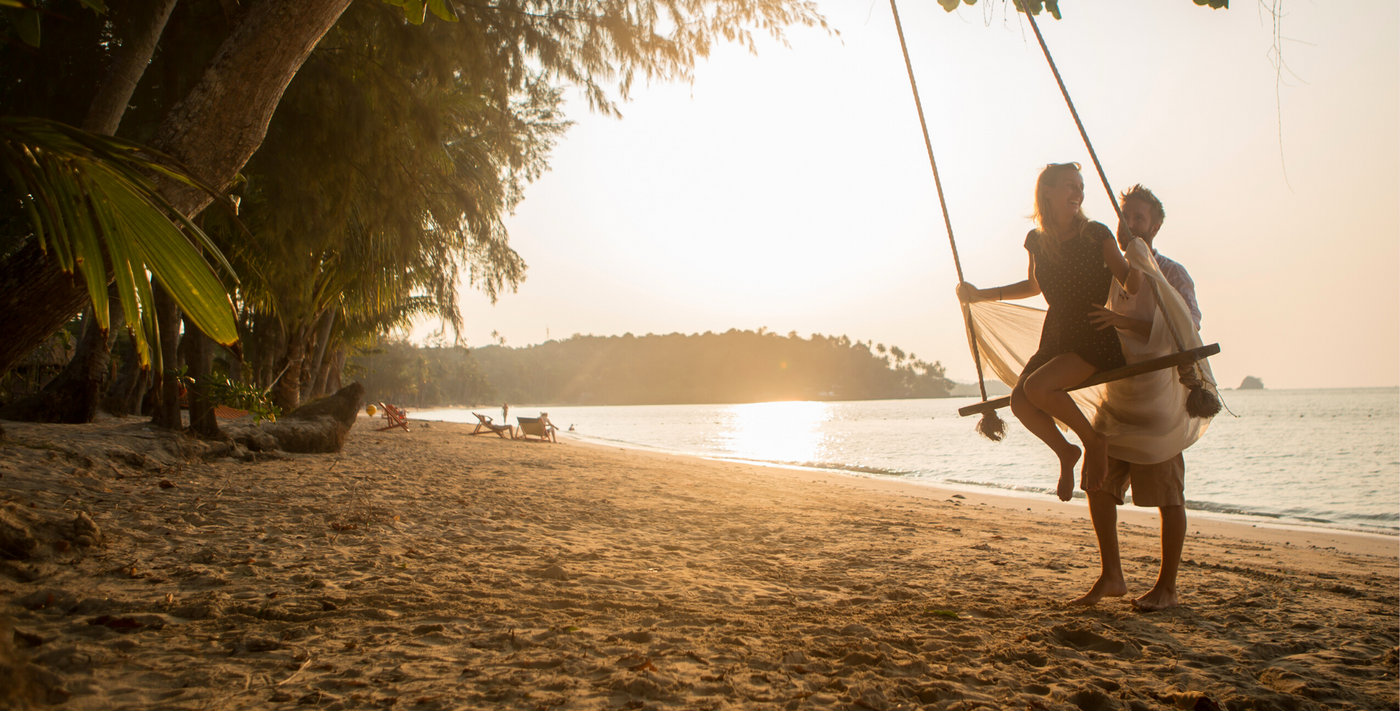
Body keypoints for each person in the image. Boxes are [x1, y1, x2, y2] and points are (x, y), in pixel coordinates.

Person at [957, 163, 1141, 502]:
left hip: (1092, 333)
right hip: (1057, 333)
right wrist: (981, 294)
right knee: (1020, 402)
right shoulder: (1037, 240)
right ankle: (1066, 452)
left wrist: (1137, 257)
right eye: (1070, 185)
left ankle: (1093, 440)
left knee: (1037, 387)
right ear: (1048, 192)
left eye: (1080, 187)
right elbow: (1033, 286)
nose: (1078, 192)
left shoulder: (1095, 233)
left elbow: (1130, 282)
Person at [1074, 184, 1200, 611]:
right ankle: (1112, 575)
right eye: (1124, 217)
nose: (1128, 226)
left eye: (1138, 219)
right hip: (1117, 398)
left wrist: (1121, 322)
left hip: (1158, 404)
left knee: (1168, 495)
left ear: (1155, 226)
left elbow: (1186, 330)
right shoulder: (1107, 269)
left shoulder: (1172, 273)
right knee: (1097, 483)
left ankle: (1167, 588)